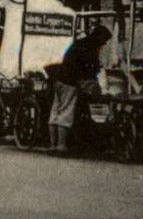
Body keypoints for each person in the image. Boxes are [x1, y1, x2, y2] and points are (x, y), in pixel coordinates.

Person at [48, 25, 113, 154]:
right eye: (104, 40)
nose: (105, 43)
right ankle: (61, 145)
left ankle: (52, 145)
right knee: (66, 112)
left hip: (59, 79)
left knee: (55, 111)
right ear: (98, 37)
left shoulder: (79, 43)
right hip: (70, 82)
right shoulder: (90, 48)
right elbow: (90, 69)